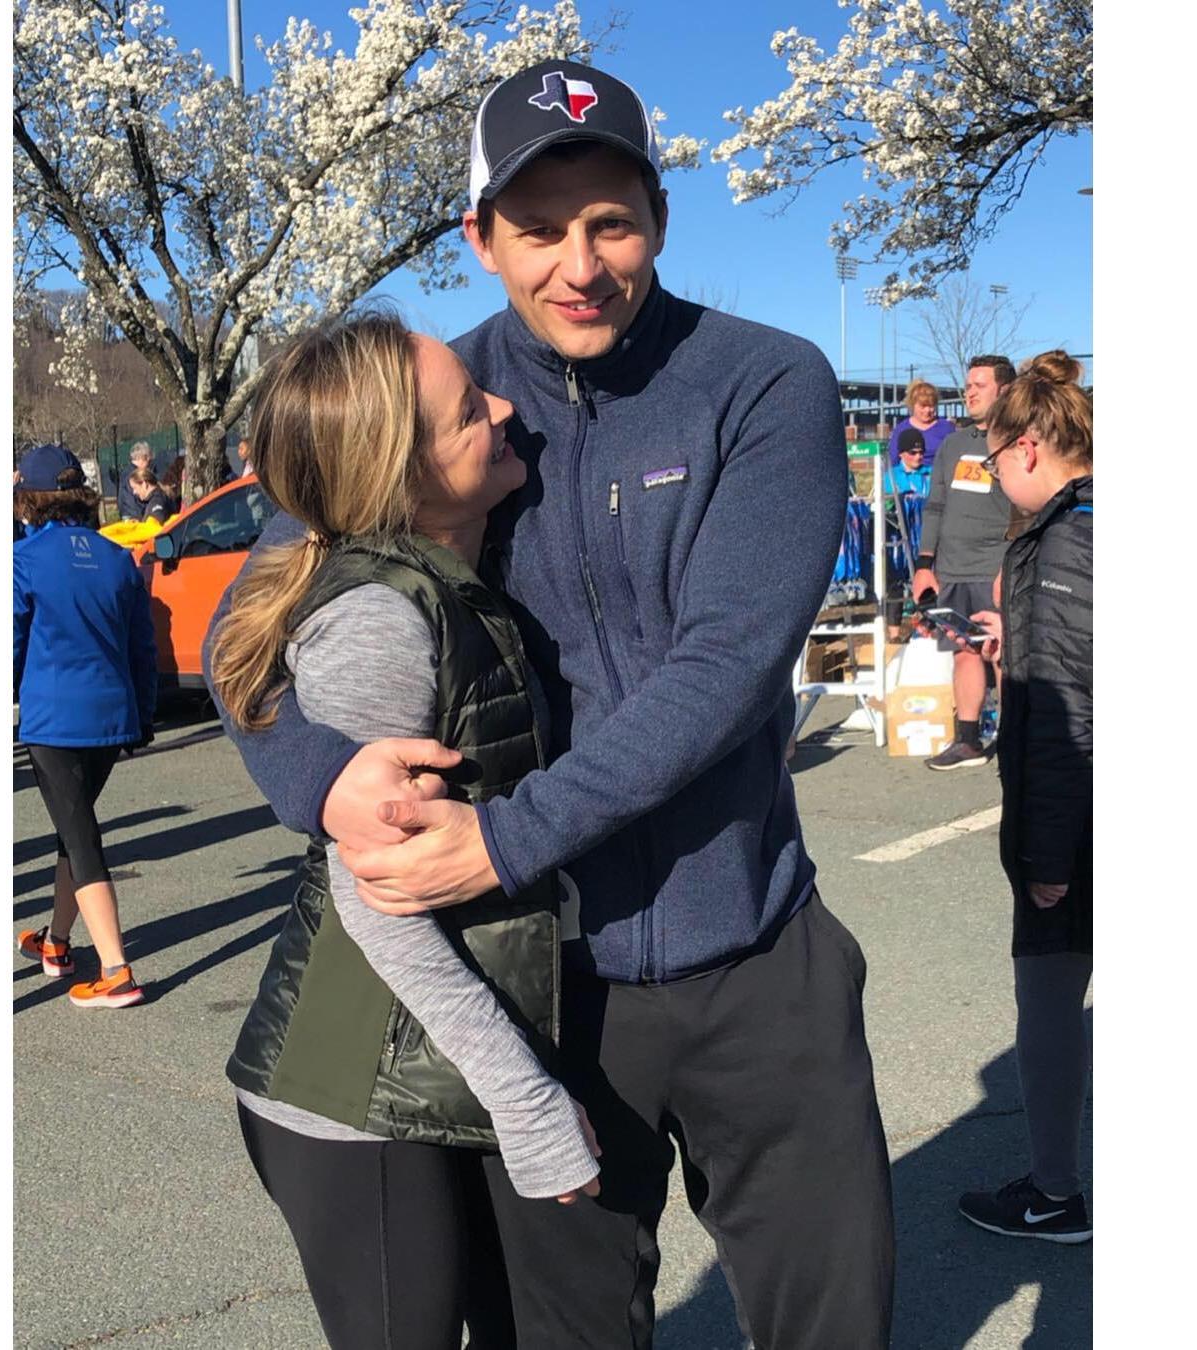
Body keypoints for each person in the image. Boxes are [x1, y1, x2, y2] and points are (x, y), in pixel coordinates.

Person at [205, 58, 893, 1350]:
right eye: (536, 228)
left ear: (657, 221)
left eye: (611, 221)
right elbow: (247, 633)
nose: (579, 263)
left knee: (834, 1321)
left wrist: (506, 832)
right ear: (479, 238)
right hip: (541, 983)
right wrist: (320, 779)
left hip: (753, 951)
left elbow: (727, 662)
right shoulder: (418, 398)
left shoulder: (762, 379)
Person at [209, 313, 600, 1348]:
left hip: (419, 1065)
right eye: (471, 411)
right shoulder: (382, 621)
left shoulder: (442, 577)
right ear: (401, 476)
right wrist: (527, 1100)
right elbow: (373, 894)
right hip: (349, 1088)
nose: (506, 408)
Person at [954, 351, 1092, 1243]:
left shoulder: (1066, 537)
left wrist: (1044, 856)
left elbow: (1067, 715)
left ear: (1033, 446)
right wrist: (1022, 635)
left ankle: (1053, 1191)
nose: (994, 475)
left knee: (1047, 1007)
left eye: (997, 459)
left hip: (1079, 829)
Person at [13, 444, 156, 1009]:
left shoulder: (24, 559)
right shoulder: (117, 557)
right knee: (72, 829)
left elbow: (10, 641)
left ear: (32, 499)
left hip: (54, 716)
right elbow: (142, 647)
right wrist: (143, 715)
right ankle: (56, 942)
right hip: (111, 714)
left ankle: (117, 969)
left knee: (81, 835)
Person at [911, 354, 1017, 770]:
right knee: (965, 653)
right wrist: (924, 564)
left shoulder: (1018, 441)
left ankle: (1013, 740)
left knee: (1003, 654)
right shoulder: (955, 443)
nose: (969, 391)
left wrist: (1009, 568)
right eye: (967, 384)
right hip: (953, 568)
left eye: (979, 384)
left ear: (1004, 390)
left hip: (997, 567)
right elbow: (935, 506)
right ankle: (968, 740)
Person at [889, 378, 956, 468]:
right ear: (913, 405)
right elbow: (893, 461)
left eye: (931, 406)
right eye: (923, 406)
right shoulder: (901, 430)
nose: (927, 410)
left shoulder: (946, 428)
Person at [886, 426, 932, 495]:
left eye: (921, 452)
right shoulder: (891, 476)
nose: (918, 457)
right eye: (912, 453)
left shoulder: (932, 473)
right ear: (901, 453)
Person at [116, 441, 155, 519]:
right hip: (135, 515)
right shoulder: (134, 475)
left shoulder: (126, 472)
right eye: (148, 460)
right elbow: (134, 500)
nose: (149, 464)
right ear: (143, 457)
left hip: (128, 513)